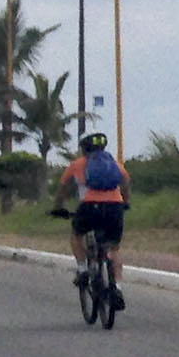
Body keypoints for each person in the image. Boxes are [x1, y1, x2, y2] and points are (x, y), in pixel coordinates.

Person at [54, 131, 131, 308]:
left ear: (84, 148)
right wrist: (125, 203)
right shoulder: (114, 164)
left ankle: (83, 271)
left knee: (76, 235)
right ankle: (117, 287)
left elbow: (63, 189)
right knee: (114, 247)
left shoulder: (77, 165)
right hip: (114, 208)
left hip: (89, 207)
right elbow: (126, 183)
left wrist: (58, 208)